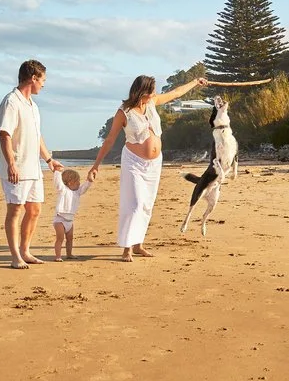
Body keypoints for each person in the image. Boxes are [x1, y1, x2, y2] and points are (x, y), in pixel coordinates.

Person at [87, 74, 208, 261]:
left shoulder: (151, 103)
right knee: (134, 204)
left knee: (147, 205)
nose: (153, 94)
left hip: (154, 163)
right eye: (150, 92)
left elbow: (176, 93)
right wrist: (96, 165)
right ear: (140, 92)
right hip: (133, 162)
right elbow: (110, 139)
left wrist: (195, 82)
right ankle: (126, 247)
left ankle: (138, 245)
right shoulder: (123, 112)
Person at [0, 59, 63, 269]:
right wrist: (11, 164)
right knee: (15, 210)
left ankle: (25, 251)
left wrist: (49, 160)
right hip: (16, 168)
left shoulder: (33, 106)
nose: (43, 84)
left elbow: (37, 136)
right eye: (42, 80)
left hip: (33, 169)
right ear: (33, 78)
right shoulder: (11, 102)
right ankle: (15, 255)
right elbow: (4, 135)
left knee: (34, 210)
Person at [51, 167, 92, 261]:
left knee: (70, 238)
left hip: (70, 220)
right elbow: (58, 183)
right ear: (70, 183)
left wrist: (89, 181)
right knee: (60, 239)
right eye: (77, 181)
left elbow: (84, 188)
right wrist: (57, 171)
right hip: (60, 219)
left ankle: (69, 254)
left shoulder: (77, 192)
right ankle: (58, 256)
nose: (79, 183)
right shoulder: (63, 190)